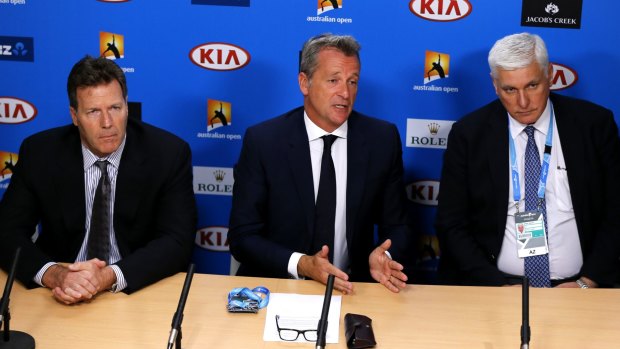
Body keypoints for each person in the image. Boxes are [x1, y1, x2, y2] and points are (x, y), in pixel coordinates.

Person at [0, 56, 197, 304]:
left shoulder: (168, 154)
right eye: (93, 111)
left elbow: (177, 242)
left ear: (126, 105)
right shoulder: (40, 153)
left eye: (115, 108)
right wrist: (55, 274)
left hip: (135, 289)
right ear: (74, 115)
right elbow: (6, 233)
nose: (107, 123)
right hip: (58, 291)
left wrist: (106, 277)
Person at [228, 33, 411, 294]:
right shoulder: (264, 141)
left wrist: (385, 256)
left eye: (352, 81)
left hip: (353, 288)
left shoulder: (381, 139)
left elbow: (398, 225)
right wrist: (302, 264)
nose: (345, 93)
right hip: (279, 285)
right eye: (333, 80)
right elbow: (242, 237)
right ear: (305, 82)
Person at [436, 32, 620, 288]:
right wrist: (497, 286)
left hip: (579, 288)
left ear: (550, 75)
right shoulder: (468, 134)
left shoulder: (594, 125)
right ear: (494, 85)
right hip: (496, 287)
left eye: (532, 86)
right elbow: (451, 224)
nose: (522, 102)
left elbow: (616, 212)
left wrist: (588, 281)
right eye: (510, 89)